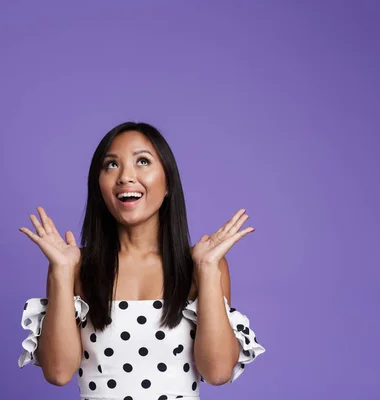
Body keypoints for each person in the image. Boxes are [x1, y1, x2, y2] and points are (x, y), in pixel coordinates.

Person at [18, 122, 265, 399]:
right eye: (111, 165)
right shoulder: (73, 265)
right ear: (98, 185)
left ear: (168, 181)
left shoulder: (203, 265)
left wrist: (206, 269)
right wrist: (62, 272)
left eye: (143, 161)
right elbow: (58, 372)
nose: (125, 177)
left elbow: (218, 372)